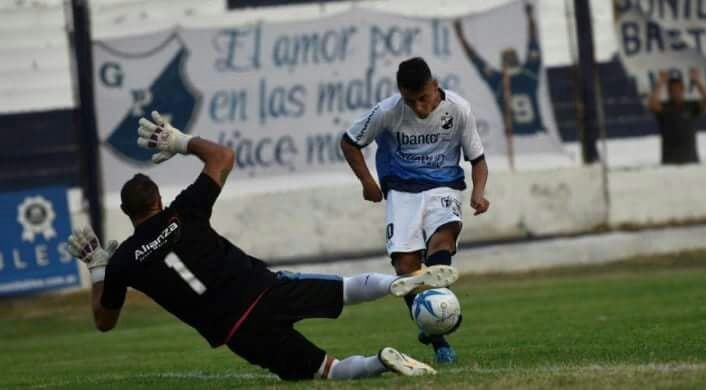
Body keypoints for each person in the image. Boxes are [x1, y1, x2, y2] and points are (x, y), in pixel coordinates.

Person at [65, 111, 462, 381]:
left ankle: (380, 362)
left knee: (328, 371)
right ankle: (400, 282)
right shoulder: (183, 212)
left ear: (124, 211)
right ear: (158, 200)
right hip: (264, 288)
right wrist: (181, 141)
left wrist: (99, 268)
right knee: (345, 289)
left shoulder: (124, 263)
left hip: (236, 328)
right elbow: (223, 157)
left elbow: (104, 322)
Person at [340, 57, 490, 364]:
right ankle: (438, 337)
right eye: (411, 101)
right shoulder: (388, 111)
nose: (419, 107)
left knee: (443, 239)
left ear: (435, 87)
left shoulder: (459, 109)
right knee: (406, 268)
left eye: (423, 98)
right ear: (401, 94)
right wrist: (368, 182)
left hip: (444, 188)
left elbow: (477, 159)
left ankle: (436, 308)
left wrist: (478, 193)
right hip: (402, 194)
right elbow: (349, 142)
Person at [454, 2, 545, 136]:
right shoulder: (529, 74)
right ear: (518, 60)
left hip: (512, 133)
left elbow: (475, 60)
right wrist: (530, 17)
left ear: (503, 64)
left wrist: (460, 35)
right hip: (536, 129)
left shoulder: (498, 81)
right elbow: (533, 44)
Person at [648, 68, 706, 164]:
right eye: (672, 90)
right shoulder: (664, 108)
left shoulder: (691, 107)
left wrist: (697, 81)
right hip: (669, 163)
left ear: (683, 89)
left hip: (691, 161)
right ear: (668, 91)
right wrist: (660, 83)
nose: (675, 92)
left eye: (678, 89)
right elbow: (651, 104)